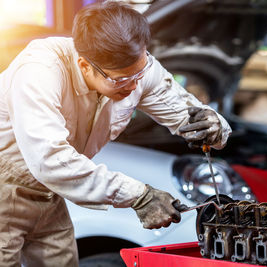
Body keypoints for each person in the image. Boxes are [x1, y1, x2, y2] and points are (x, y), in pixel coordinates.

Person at [0, 1, 231, 266]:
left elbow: (189, 116)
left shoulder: (136, 69)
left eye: (139, 74)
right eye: (121, 80)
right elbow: (49, 160)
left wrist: (215, 126)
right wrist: (139, 195)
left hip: (51, 194)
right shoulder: (39, 72)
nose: (134, 86)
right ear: (85, 66)